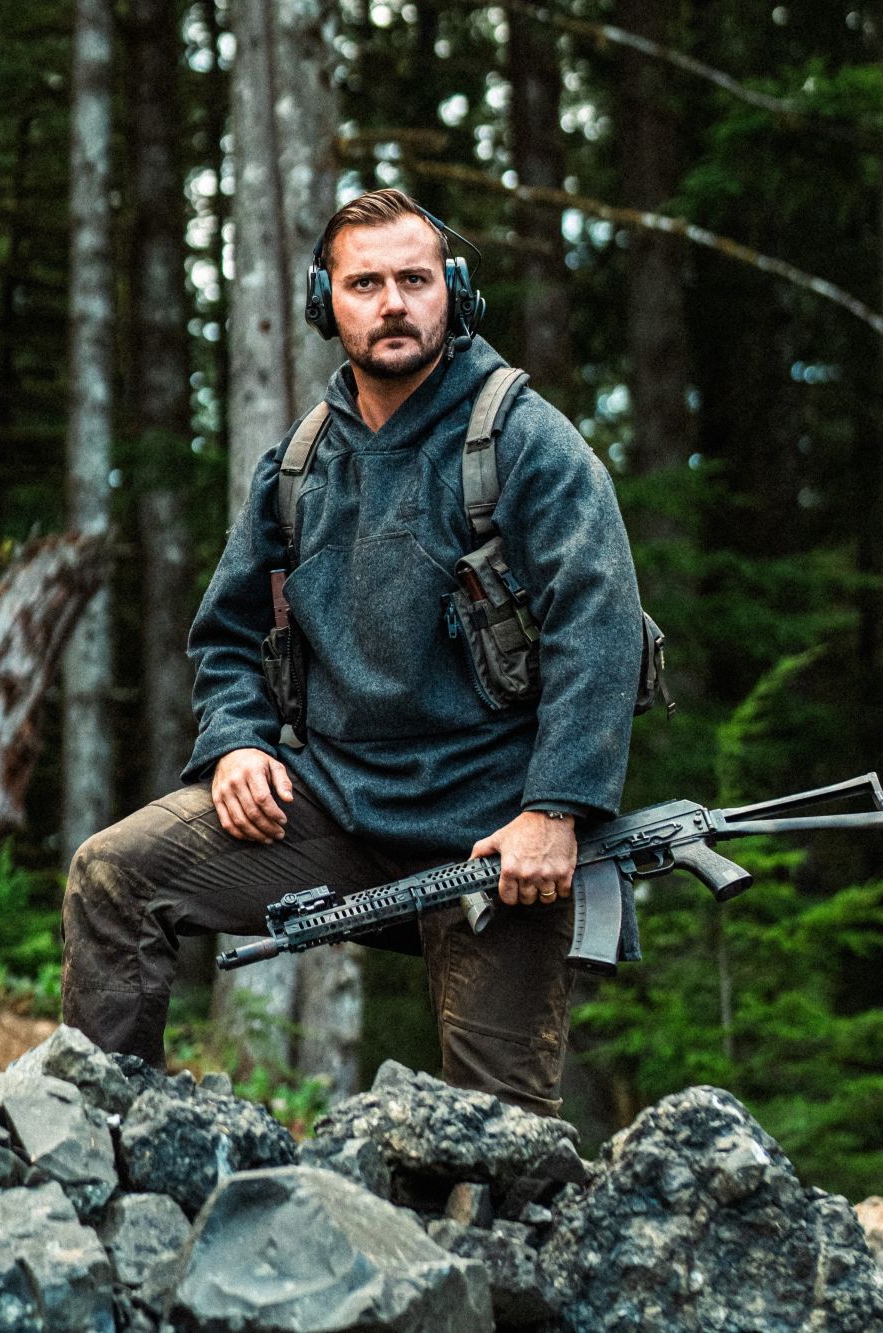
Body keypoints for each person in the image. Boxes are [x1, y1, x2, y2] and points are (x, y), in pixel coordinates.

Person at [60, 188, 642, 1116]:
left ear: (453, 292)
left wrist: (557, 809)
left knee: (495, 1152)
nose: (392, 303)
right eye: (364, 282)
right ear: (322, 300)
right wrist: (240, 742)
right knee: (117, 875)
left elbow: (599, 627)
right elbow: (228, 632)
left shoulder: (526, 440)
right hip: (330, 803)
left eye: (415, 279)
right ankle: (93, 1143)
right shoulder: (298, 462)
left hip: (492, 838)